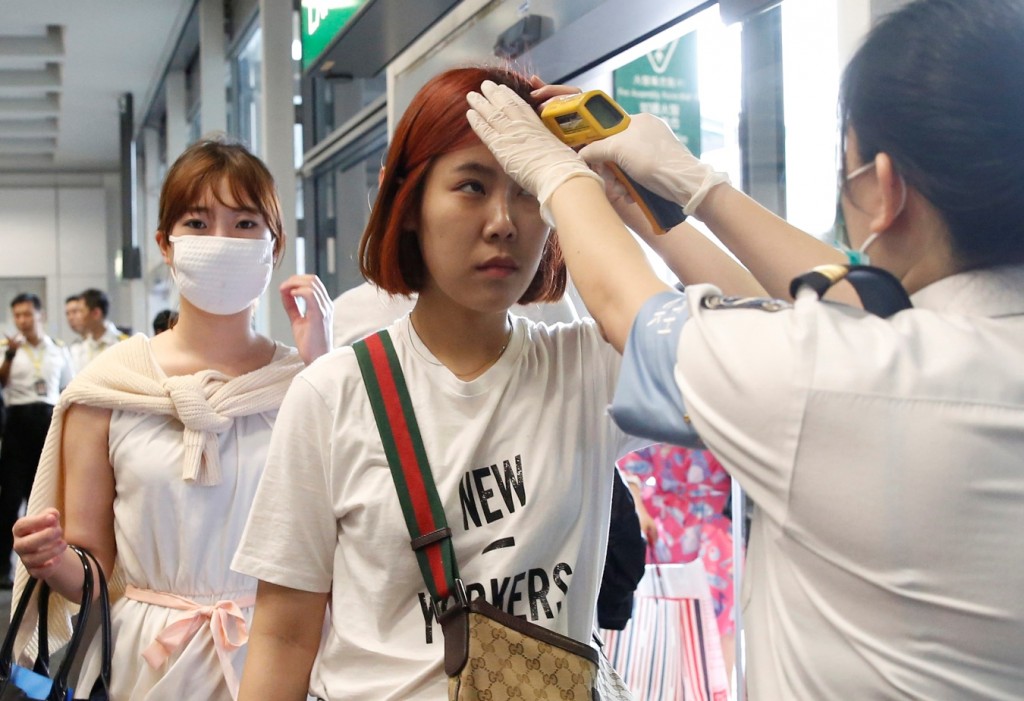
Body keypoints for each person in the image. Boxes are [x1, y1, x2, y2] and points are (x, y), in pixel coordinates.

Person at [465, 0, 1024, 697]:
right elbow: (814, 312)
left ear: (883, 189)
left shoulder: (838, 381)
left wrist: (559, 177)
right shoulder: (915, 356)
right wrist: (687, 197)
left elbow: (637, 317)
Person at [231, 66, 660, 701]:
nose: (503, 222)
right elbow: (283, 636)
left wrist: (632, 190)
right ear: (409, 206)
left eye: (527, 190)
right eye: (471, 186)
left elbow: (763, 354)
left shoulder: (589, 369)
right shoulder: (333, 394)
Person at [11, 136, 332, 701]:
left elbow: (348, 537)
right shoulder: (111, 388)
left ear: (274, 244)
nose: (221, 240)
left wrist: (324, 374)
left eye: (245, 223)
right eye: (197, 221)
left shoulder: (306, 382)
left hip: (286, 650)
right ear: (165, 243)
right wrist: (55, 560)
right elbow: (93, 572)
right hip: (148, 662)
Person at [0, 293, 73, 589]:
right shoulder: (8, 350)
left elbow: (69, 386)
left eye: (28, 314)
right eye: (17, 315)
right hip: (17, 423)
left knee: (44, 496)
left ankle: (50, 565)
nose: (23, 321)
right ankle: (4, 567)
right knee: (9, 499)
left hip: (48, 420)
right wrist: (9, 356)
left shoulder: (58, 349)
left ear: (40, 315)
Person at [69, 288, 130, 374]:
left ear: (96, 313)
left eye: (81, 311)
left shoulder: (123, 345)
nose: (77, 317)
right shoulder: (79, 347)